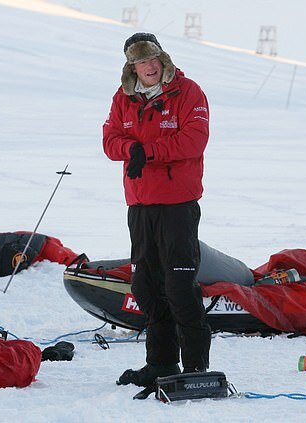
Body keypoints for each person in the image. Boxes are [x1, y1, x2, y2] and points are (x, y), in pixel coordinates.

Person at [102, 33, 212, 392]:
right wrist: (131, 148)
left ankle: (196, 368)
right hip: (140, 206)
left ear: (162, 60)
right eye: (141, 62)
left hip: (177, 205)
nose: (149, 67)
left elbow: (193, 140)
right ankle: (161, 362)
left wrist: (145, 153)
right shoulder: (124, 98)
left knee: (179, 285)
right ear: (131, 66)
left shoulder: (188, 92)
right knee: (146, 286)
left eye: (154, 60)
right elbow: (109, 139)